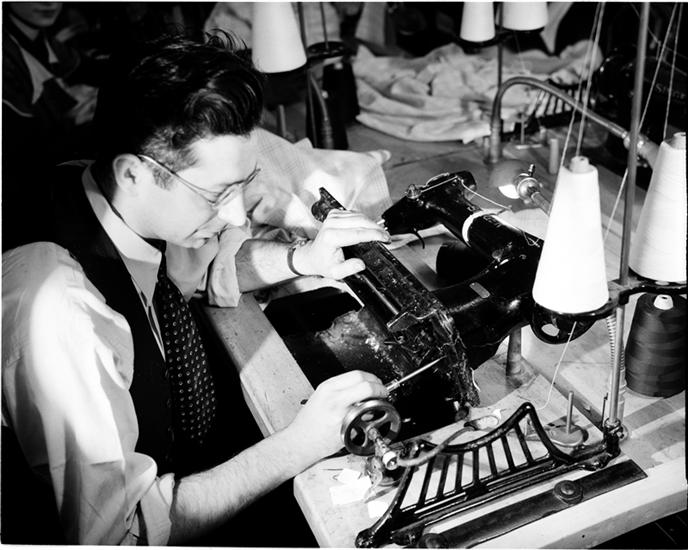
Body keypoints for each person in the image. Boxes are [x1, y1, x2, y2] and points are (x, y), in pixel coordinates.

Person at [1, 33, 390, 545]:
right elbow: (122, 534)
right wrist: (300, 442)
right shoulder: (62, 309)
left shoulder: (105, 192)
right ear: (134, 174)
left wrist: (303, 258)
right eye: (216, 194)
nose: (235, 216)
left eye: (242, 185)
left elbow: (197, 274)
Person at [2, 2, 104, 251]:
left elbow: (89, 69)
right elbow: (25, 150)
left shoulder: (40, 40)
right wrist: (75, 120)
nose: (48, 3)